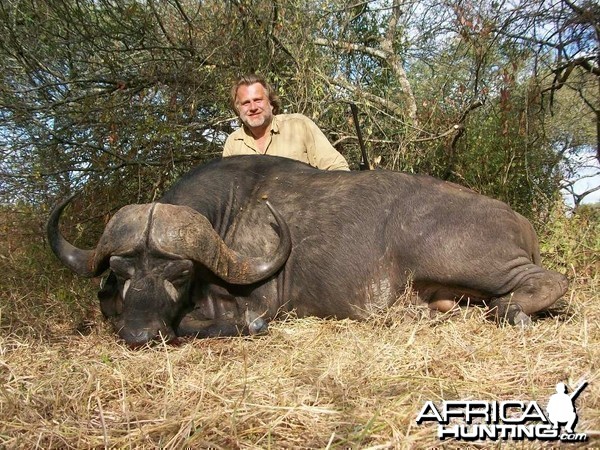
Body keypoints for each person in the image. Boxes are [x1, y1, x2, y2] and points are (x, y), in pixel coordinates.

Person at [223, 74, 350, 171]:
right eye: (246, 103)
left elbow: (338, 169)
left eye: (258, 100)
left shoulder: (299, 125)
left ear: (271, 104)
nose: (253, 107)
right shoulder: (233, 143)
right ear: (237, 108)